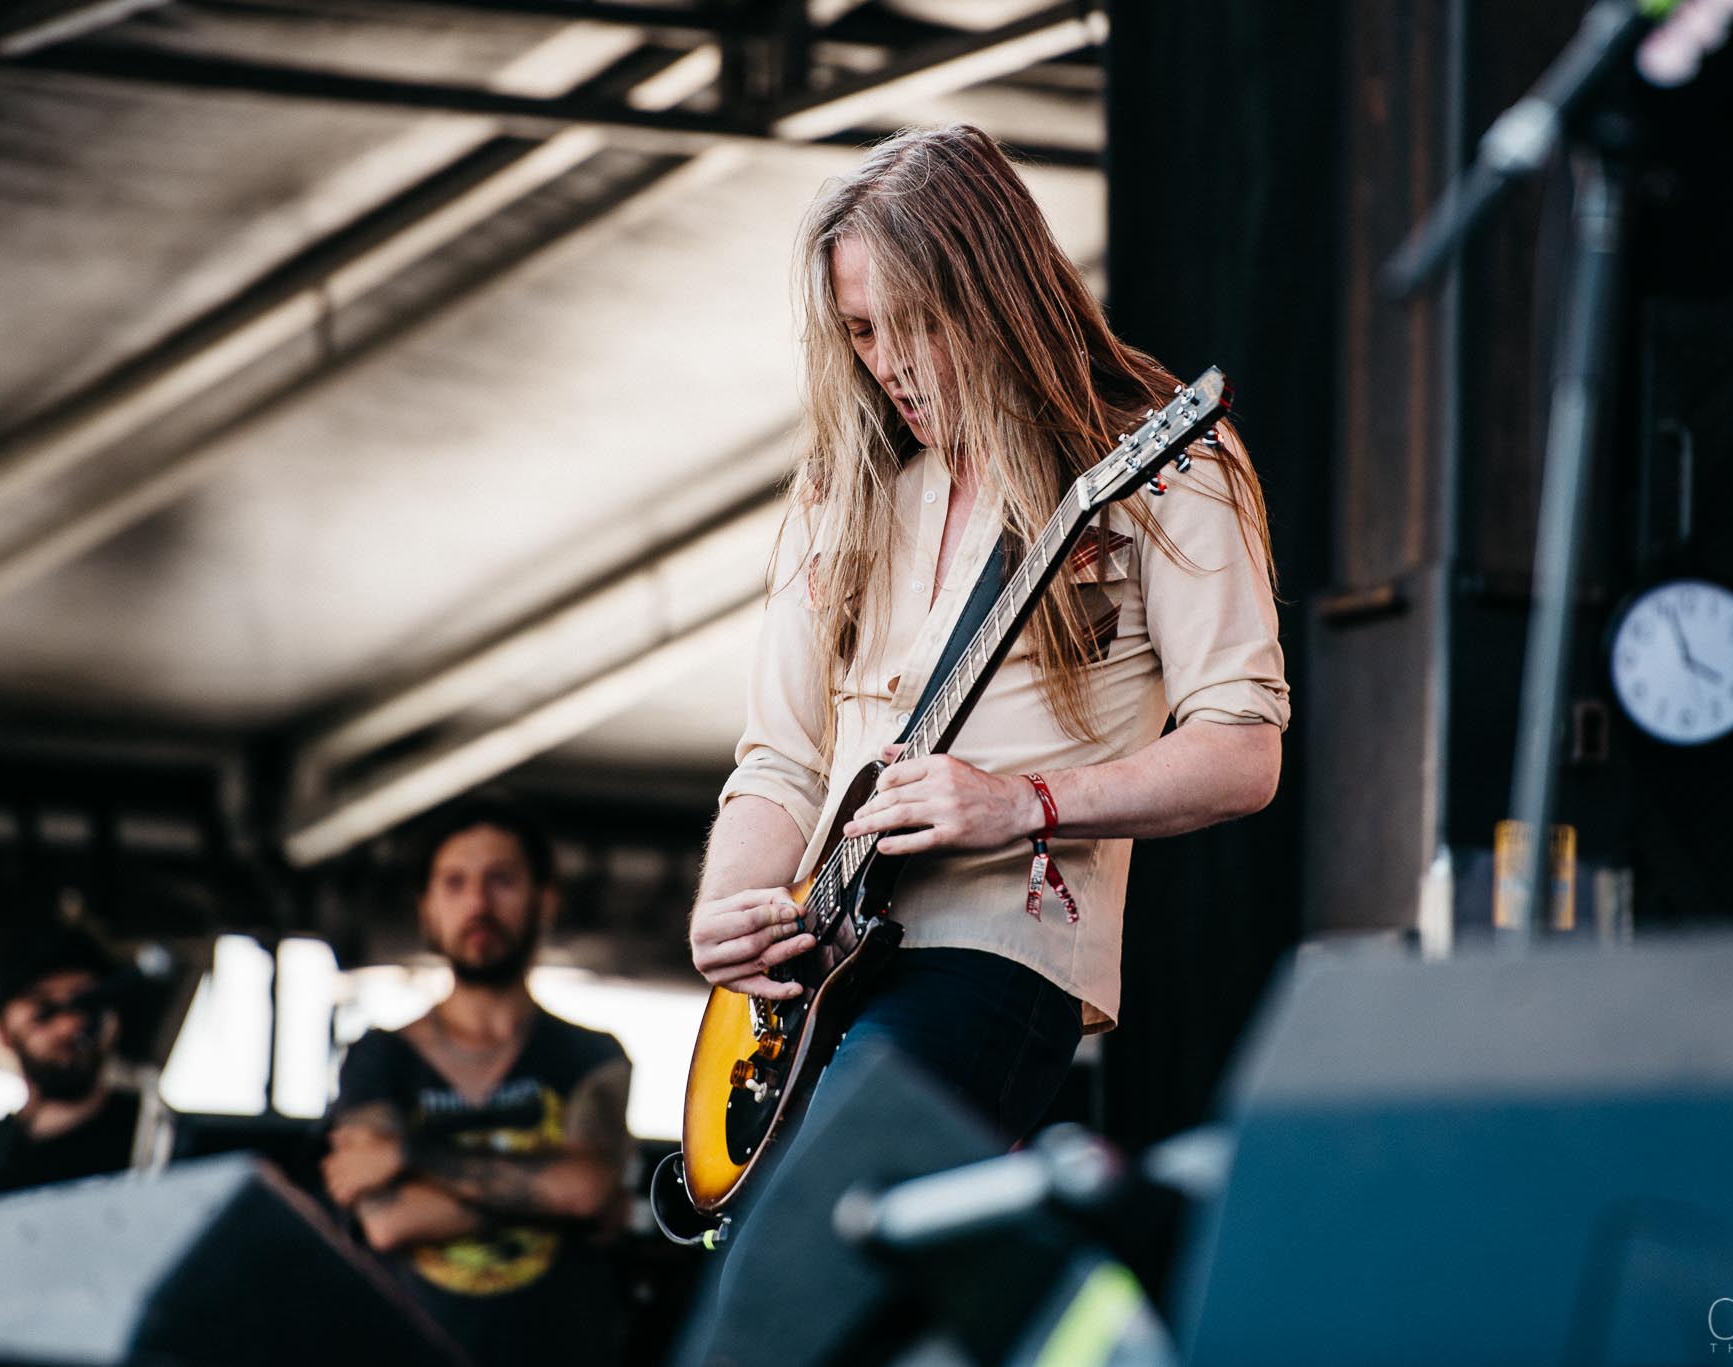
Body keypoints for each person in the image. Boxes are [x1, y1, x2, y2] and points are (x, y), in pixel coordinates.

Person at [688, 123, 1289, 1149]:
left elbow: (1243, 749)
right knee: (822, 1291)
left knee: (810, 1269)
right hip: (812, 982)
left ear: (998, 290)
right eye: (861, 331)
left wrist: (1024, 802)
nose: (888, 366)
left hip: (994, 955)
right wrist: (733, 905)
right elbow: (781, 759)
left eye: (915, 324)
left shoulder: (1162, 462)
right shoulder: (840, 489)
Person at [322, 793, 634, 1367]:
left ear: (545, 901)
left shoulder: (592, 1055)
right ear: (427, 909)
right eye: (454, 883)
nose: (478, 903)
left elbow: (586, 1188)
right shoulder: (378, 1057)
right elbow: (389, 1221)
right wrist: (550, 1194)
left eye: (502, 881)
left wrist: (408, 1154)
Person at [0, 927, 142, 1205]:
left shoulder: (164, 1142)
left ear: (113, 1021)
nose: (69, 1025)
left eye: (87, 1005)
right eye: (44, 1011)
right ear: (4, 1033)